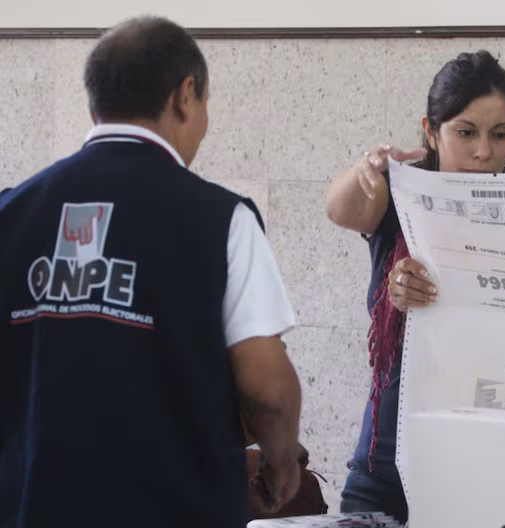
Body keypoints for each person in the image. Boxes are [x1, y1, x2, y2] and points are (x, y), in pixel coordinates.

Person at [0, 16, 303, 528]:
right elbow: (266, 390)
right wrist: (281, 464)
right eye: (205, 103)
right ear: (185, 95)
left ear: (94, 105)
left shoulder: (11, 212)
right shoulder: (221, 219)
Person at [324, 50, 505, 523]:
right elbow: (339, 208)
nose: (483, 152)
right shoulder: (400, 197)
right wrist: (367, 168)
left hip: (484, 468)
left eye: (500, 135)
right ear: (431, 131)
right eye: (465, 132)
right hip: (385, 467)